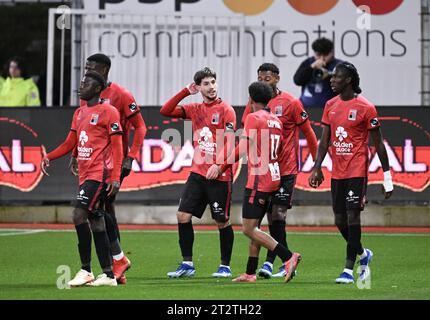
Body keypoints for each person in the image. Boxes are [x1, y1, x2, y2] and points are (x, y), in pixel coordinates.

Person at [207, 81, 302, 283]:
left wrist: (220, 166)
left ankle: (288, 257)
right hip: (275, 176)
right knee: (256, 226)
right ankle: (250, 273)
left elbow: (241, 149)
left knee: (249, 229)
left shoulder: (253, 117)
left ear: (250, 99)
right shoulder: (276, 120)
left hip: (260, 180)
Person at [308, 62, 393, 284]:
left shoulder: (366, 107)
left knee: (353, 215)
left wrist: (387, 177)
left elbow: (379, 145)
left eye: (336, 77)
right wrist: (317, 167)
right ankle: (364, 254)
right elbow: (324, 140)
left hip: (357, 170)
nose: (331, 80)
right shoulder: (330, 105)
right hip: (338, 171)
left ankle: (347, 269)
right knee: (339, 220)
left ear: (348, 80)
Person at [70, 53, 147, 284]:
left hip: (113, 162)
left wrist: (130, 157)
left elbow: (140, 128)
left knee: (100, 208)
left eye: (90, 68)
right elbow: (83, 126)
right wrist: (75, 153)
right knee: (101, 209)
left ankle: (115, 262)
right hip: (92, 161)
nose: (86, 72)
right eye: (85, 68)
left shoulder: (122, 95)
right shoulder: (88, 94)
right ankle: (116, 263)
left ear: (103, 70)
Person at [41, 71, 123, 287]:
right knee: (95, 220)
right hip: (86, 174)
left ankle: (86, 270)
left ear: (97, 89)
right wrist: (49, 156)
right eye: (82, 82)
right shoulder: (79, 113)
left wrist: (115, 177)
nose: (81, 85)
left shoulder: (109, 111)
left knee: (78, 214)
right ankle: (108, 274)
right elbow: (71, 142)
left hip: (100, 174)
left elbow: (117, 146)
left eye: (86, 83)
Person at [242, 63, 318, 278]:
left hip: (286, 169)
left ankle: (280, 261)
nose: (263, 81)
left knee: (277, 216)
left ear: (277, 78)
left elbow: (309, 133)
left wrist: (316, 165)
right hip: (264, 169)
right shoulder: (254, 104)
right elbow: (248, 133)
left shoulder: (291, 102)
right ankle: (263, 266)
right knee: (257, 220)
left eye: (266, 78)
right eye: (259, 78)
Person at [160, 67, 236, 278]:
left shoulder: (226, 110)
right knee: (182, 216)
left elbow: (230, 145)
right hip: (198, 172)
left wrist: (219, 166)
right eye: (206, 84)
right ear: (199, 87)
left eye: (213, 82)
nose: (211, 87)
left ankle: (225, 266)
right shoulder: (194, 108)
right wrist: (185, 91)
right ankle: (187, 264)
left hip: (220, 174)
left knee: (221, 220)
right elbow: (165, 111)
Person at [293, 38, 342, 109]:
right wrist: (311, 67)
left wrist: (329, 75)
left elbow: (346, 83)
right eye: (318, 55)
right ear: (314, 53)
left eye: (325, 55)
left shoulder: (339, 65)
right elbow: (297, 80)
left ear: (332, 52)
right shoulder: (308, 62)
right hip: (306, 109)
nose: (322, 58)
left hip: (330, 110)